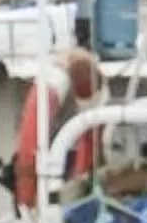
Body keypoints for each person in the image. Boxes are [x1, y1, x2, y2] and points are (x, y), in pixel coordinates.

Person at [11, 48, 104, 211]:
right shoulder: (53, 82)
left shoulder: (99, 89)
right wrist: (27, 200)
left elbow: (91, 140)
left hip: (71, 152)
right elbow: (29, 141)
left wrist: (79, 185)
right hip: (44, 154)